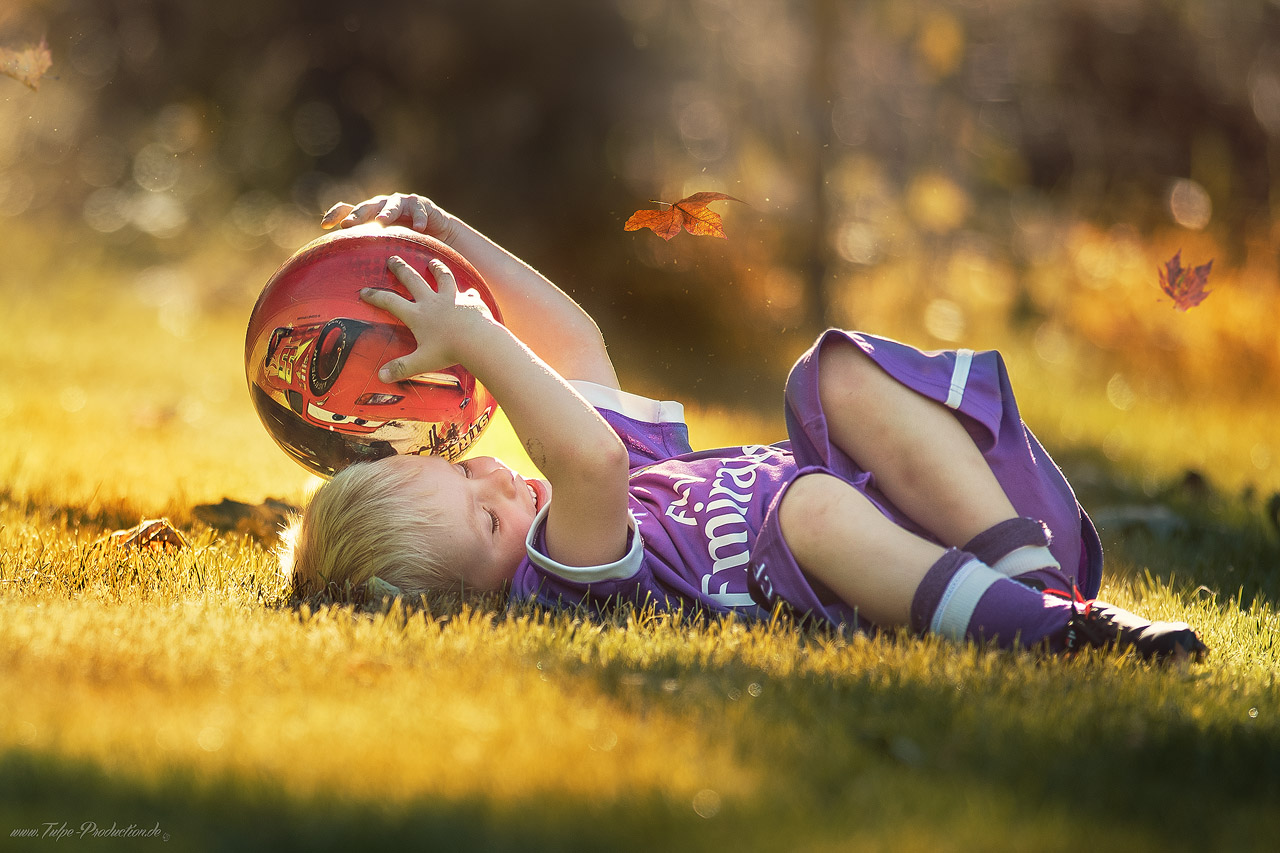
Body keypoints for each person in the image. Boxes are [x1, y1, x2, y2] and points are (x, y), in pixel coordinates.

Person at [282, 193, 1207, 662]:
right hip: (857, 570)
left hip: (944, 521)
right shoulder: (559, 578)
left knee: (834, 369)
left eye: (465, 474)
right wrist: (475, 344)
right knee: (804, 509)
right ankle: (1061, 635)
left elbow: (574, 340)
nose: (497, 483)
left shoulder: (619, 485)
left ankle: (1033, 583)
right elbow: (587, 456)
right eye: (484, 523)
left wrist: (444, 235)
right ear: (488, 593)